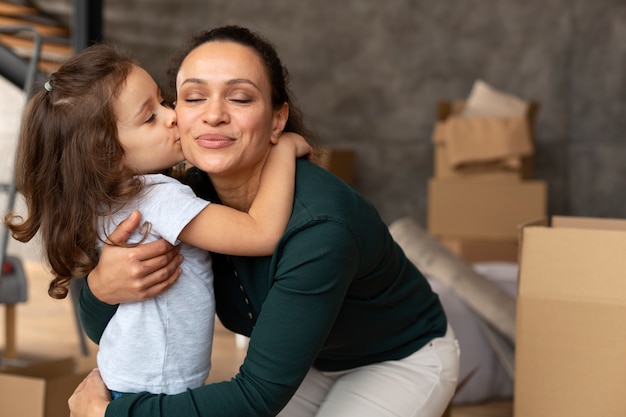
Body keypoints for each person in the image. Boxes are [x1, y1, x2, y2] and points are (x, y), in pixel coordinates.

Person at [69, 26, 460, 417]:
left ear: (277, 120)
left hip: (398, 357)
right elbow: (103, 329)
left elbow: (255, 397)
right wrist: (102, 288)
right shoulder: (185, 200)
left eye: (239, 98)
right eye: (192, 97)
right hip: (307, 359)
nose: (214, 114)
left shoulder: (321, 228)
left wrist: (111, 415)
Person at [4, 43, 311, 398]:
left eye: (163, 102)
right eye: (150, 117)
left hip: (131, 374)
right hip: (157, 385)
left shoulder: (108, 198)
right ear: (106, 155)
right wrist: (282, 151)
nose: (173, 116)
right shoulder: (158, 198)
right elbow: (261, 233)